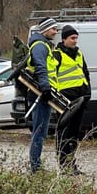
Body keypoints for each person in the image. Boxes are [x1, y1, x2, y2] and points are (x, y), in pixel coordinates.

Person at [53, 25, 91, 175]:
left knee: (75, 134)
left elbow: (85, 73)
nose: (75, 41)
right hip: (65, 100)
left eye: (76, 38)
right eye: (72, 38)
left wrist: (88, 93)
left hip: (80, 97)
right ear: (64, 39)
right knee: (64, 133)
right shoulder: (57, 54)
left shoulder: (79, 54)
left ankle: (71, 163)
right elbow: (52, 75)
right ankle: (63, 165)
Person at [26, 17, 59, 172]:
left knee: (41, 131)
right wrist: (45, 87)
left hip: (44, 93)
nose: (56, 32)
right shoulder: (40, 46)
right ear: (45, 29)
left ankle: (36, 164)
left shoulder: (43, 45)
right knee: (39, 131)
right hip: (41, 93)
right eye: (53, 29)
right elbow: (40, 67)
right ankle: (35, 166)